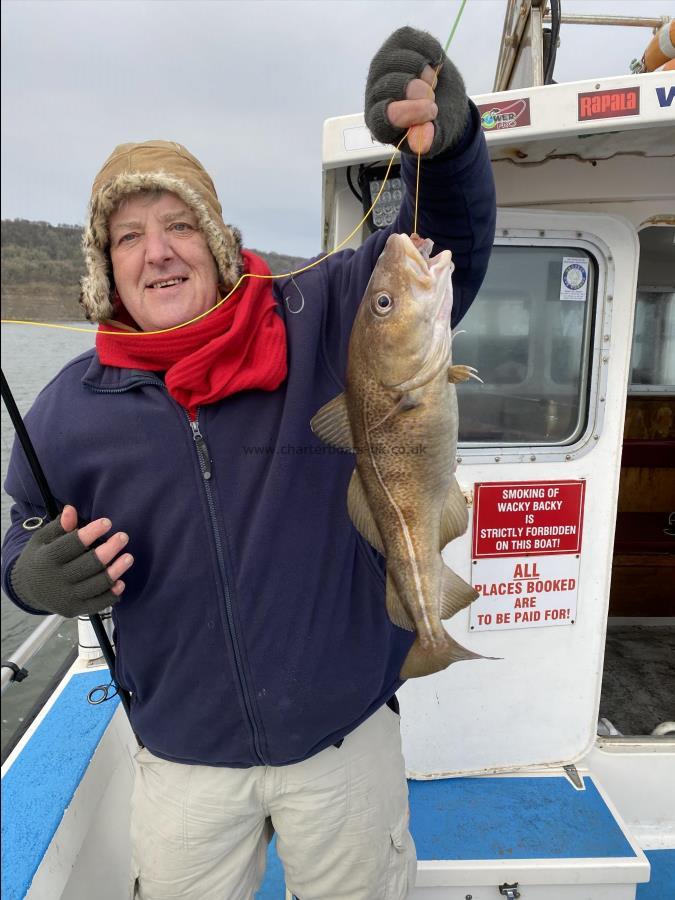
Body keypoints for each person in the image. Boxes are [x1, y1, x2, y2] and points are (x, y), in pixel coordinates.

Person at [2, 27, 496, 900]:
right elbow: (24, 529)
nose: (157, 252)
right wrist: (30, 576)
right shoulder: (68, 410)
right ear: (106, 268)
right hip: (183, 758)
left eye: (179, 225)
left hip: (341, 740)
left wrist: (447, 148)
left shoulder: (319, 314)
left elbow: (431, 244)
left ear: (218, 240)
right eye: (128, 237)